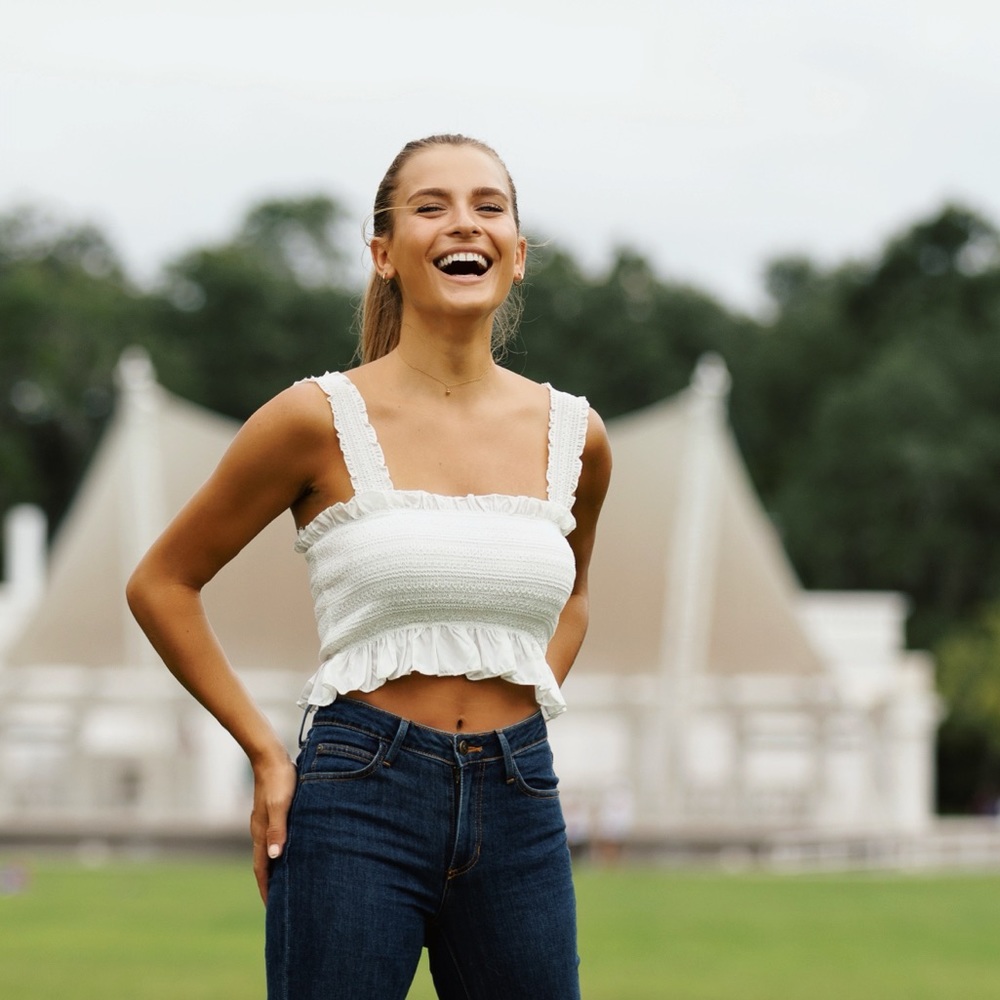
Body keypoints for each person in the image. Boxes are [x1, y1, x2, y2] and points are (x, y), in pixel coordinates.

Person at [126, 133, 612, 1000]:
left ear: (519, 253)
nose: (464, 223)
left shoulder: (578, 435)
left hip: (521, 798)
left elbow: (574, 596)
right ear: (384, 252)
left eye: (488, 205)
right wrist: (267, 756)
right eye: (431, 206)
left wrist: (524, 709)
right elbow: (162, 583)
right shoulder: (313, 418)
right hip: (357, 797)